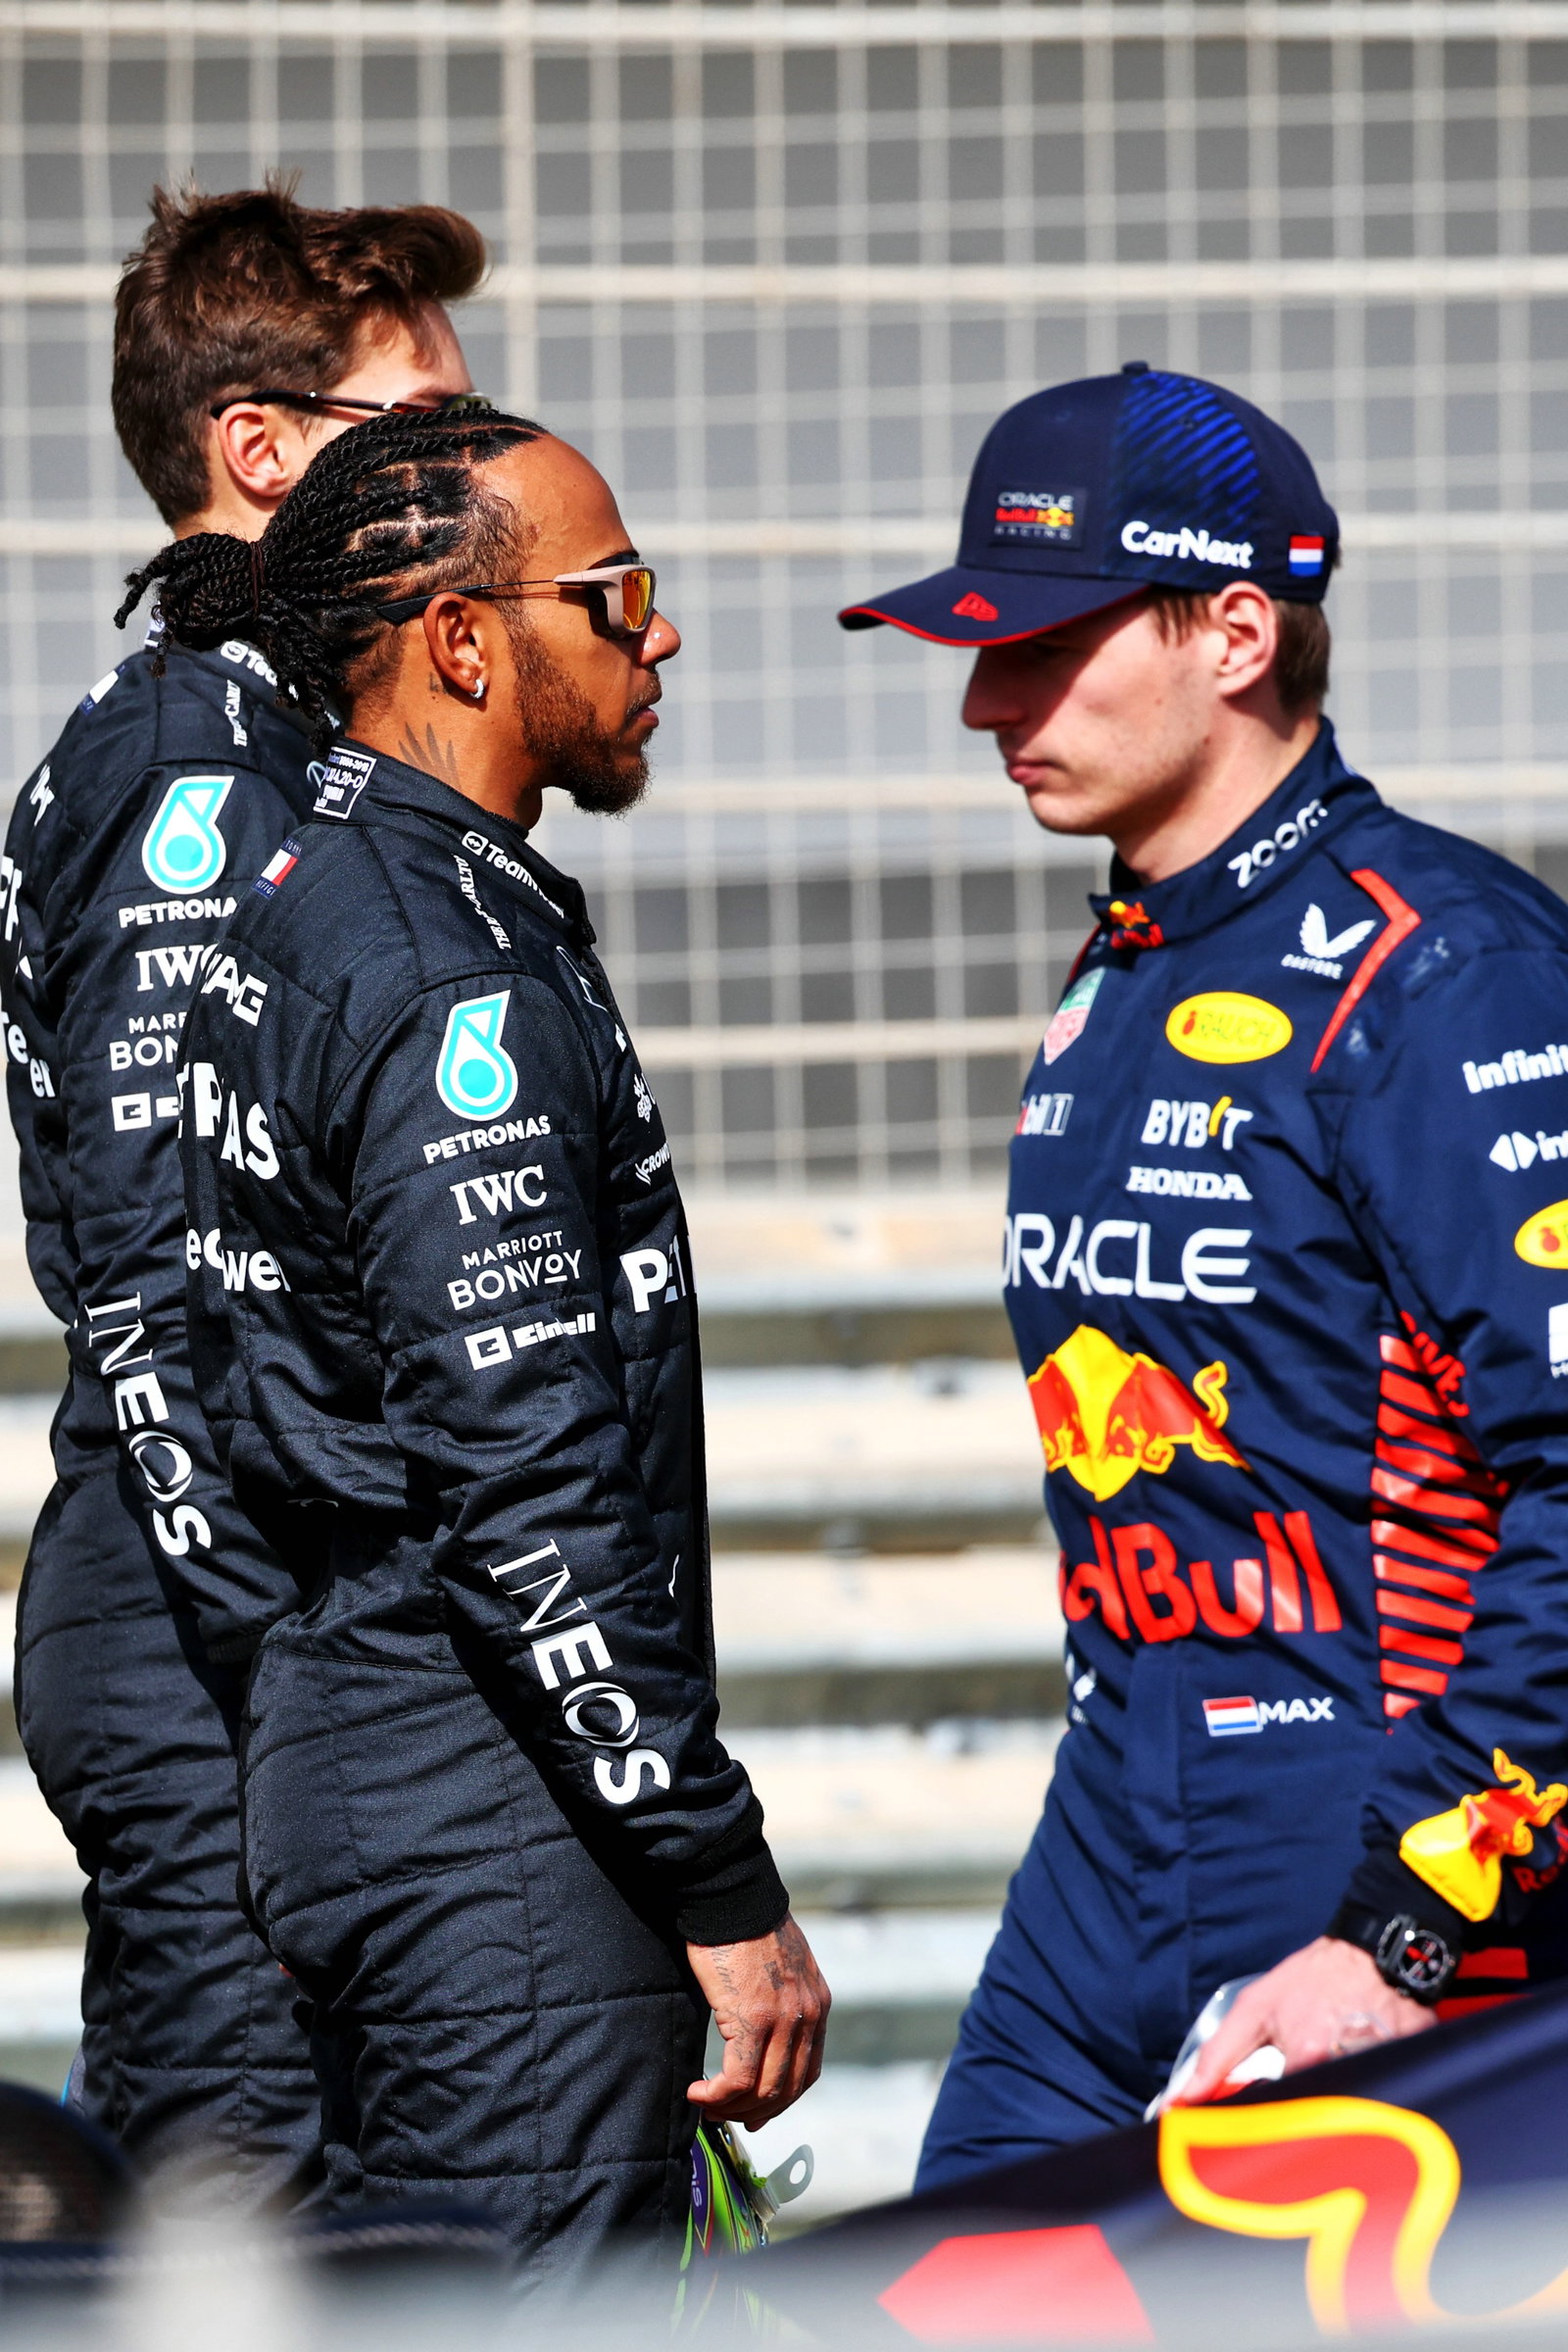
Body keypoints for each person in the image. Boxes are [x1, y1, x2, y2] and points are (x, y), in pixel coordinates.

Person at [840, 362, 1568, 2180]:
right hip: (1111, 1848)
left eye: (1042, 645)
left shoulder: (1447, 969)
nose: (983, 701)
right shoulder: (1118, 975)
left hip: (1385, 1871)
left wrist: (1409, 1926)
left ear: (1236, 632)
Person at [135, 406, 827, 2269]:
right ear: (461, 639)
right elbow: (522, 1470)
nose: (655, 634)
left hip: (359, 1758)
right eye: (616, 597)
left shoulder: (304, 892)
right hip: (491, 1824)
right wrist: (712, 1871)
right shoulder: (443, 962)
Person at [1, 179, 485, 2200]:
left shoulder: (295, 729)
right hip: (210, 1602)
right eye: (426, 430)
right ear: (260, 453)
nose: (476, 474)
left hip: (279, 1586)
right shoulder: (201, 761)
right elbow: (138, 1249)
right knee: (243, 2227)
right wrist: (272, 1635)